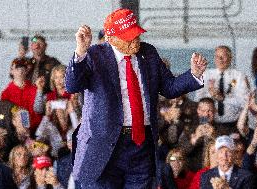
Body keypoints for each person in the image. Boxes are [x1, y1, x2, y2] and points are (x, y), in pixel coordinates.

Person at [65, 8, 207, 189]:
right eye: (128, 37)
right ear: (111, 38)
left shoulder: (148, 53)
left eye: (136, 34)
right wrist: (80, 51)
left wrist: (193, 74)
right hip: (104, 146)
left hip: (141, 145)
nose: (135, 40)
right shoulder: (93, 55)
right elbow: (72, 86)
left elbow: (169, 87)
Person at [195, 46, 250, 134]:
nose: (220, 59)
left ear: (230, 58)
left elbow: (245, 102)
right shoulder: (206, 75)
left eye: (223, 56)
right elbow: (198, 100)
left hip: (233, 124)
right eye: (217, 56)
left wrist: (223, 98)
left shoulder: (239, 76)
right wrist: (211, 95)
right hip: (210, 123)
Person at [1, 58, 42, 134]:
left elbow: (38, 112)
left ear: (27, 70)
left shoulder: (36, 89)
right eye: (16, 67)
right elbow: (4, 116)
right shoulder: (6, 93)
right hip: (15, 132)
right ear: (11, 71)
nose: (20, 70)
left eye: (23, 67)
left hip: (35, 131)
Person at [178, 98, 217, 171]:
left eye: (209, 111)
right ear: (198, 111)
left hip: (213, 170)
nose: (206, 114)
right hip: (192, 172)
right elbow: (181, 152)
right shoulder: (189, 129)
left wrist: (214, 136)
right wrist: (195, 138)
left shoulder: (221, 129)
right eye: (203, 111)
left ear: (215, 111)